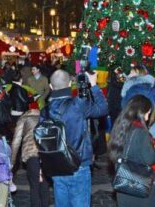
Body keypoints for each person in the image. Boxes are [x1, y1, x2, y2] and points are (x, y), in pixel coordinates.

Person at [45, 69, 108, 207]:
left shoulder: (46, 109)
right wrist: (94, 85)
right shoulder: (77, 105)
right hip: (78, 164)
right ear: (70, 83)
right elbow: (102, 109)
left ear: (50, 86)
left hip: (55, 164)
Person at [108, 95, 155, 207]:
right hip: (140, 185)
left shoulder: (121, 126)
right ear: (141, 113)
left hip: (124, 184)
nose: (147, 118)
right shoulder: (140, 132)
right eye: (147, 114)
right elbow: (149, 158)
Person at [11, 102, 49, 207]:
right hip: (46, 154)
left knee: (34, 187)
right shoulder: (47, 117)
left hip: (31, 154)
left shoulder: (24, 118)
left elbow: (16, 141)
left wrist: (12, 161)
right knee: (45, 186)